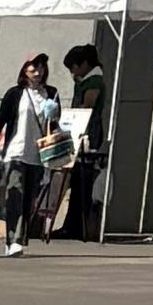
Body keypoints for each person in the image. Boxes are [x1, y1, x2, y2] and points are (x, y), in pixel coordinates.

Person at [0, 54, 67, 257]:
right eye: (33, 68)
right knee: (15, 194)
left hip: (39, 153)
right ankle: (13, 241)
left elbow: (54, 123)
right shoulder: (15, 93)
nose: (38, 72)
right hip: (16, 151)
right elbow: (0, 120)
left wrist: (54, 116)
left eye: (41, 68)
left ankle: (19, 239)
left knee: (29, 198)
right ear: (25, 70)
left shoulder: (51, 93)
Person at [50, 42, 107, 242]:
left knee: (81, 180)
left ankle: (76, 226)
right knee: (74, 179)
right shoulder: (84, 80)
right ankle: (70, 224)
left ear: (84, 64)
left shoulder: (94, 82)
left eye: (73, 67)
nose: (72, 73)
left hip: (88, 133)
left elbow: (87, 106)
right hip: (79, 131)